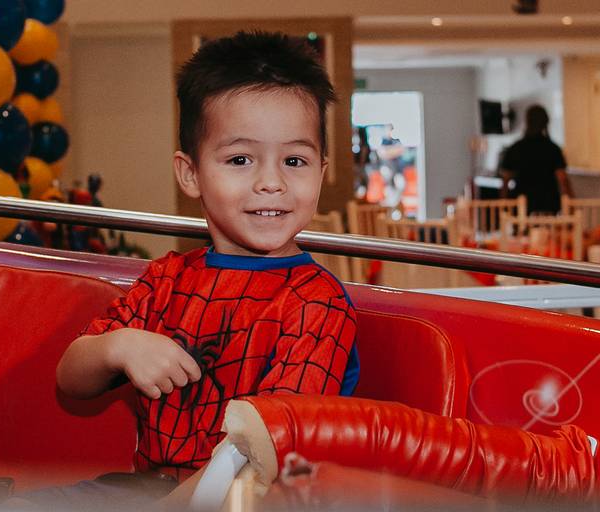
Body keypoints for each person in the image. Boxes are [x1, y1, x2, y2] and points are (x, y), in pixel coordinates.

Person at [21, 31, 360, 510]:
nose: (271, 182)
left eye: (295, 160)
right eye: (240, 159)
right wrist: (118, 346)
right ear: (190, 173)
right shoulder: (166, 279)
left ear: (321, 172)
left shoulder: (316, 302)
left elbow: (266, 453)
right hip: (145, 487)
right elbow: (71, 379)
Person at [500, 105, 573, 214]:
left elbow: (505, 182)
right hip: (548, 204)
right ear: (546, 123)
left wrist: (503, 207)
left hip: (521, 205)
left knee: (521, 231)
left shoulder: (515, 148)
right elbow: (563, 181)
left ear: (527, 122)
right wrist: (571, 205)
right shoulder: (553, 149)